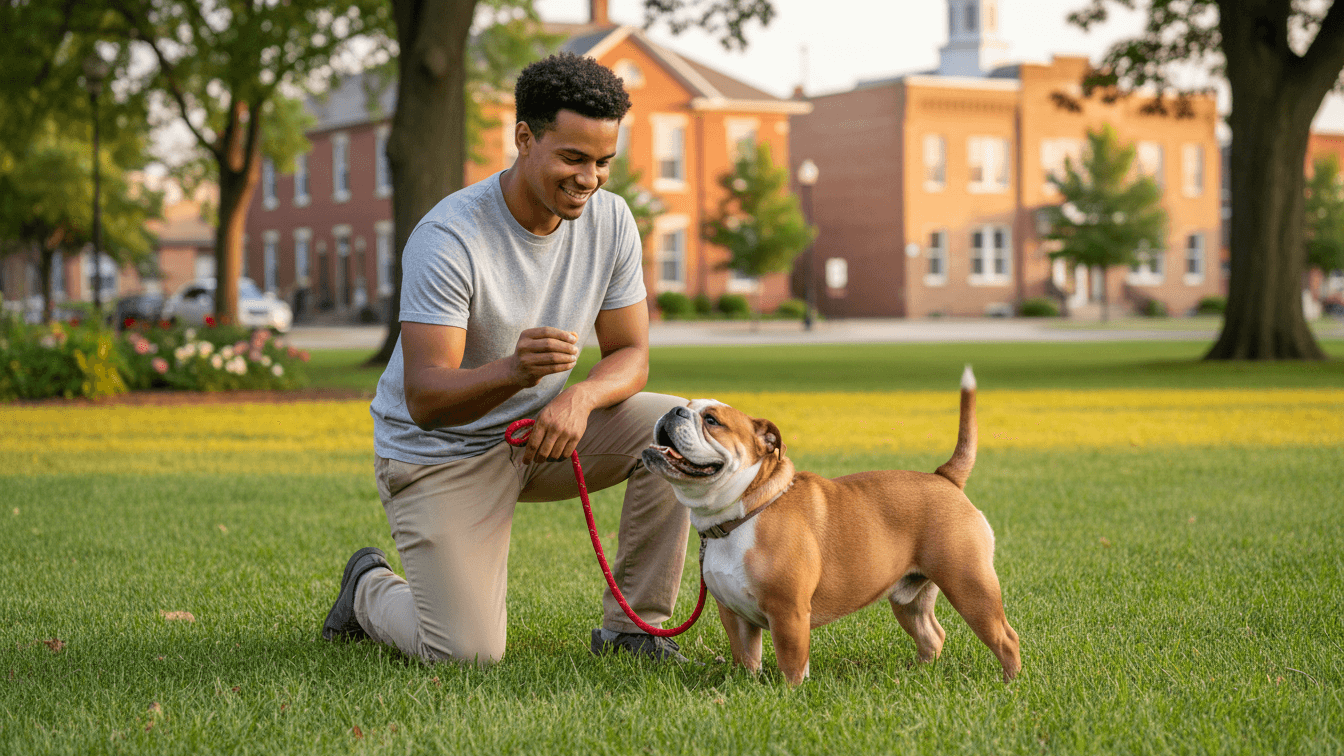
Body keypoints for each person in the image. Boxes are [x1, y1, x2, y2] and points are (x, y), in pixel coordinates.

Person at [321, 53, 692, 665]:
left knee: (673, 427)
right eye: (573, 158)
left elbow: (631, 354)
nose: (590, 179)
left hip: (545, 435)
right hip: (441, 454)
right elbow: (427, 400)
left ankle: (633, 630)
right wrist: (516, 371)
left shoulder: (612, 220)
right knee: (466, 655)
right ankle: (367, 589)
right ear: (524, 138)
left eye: (603, 162)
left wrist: (579, 397)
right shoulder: (450, 237)